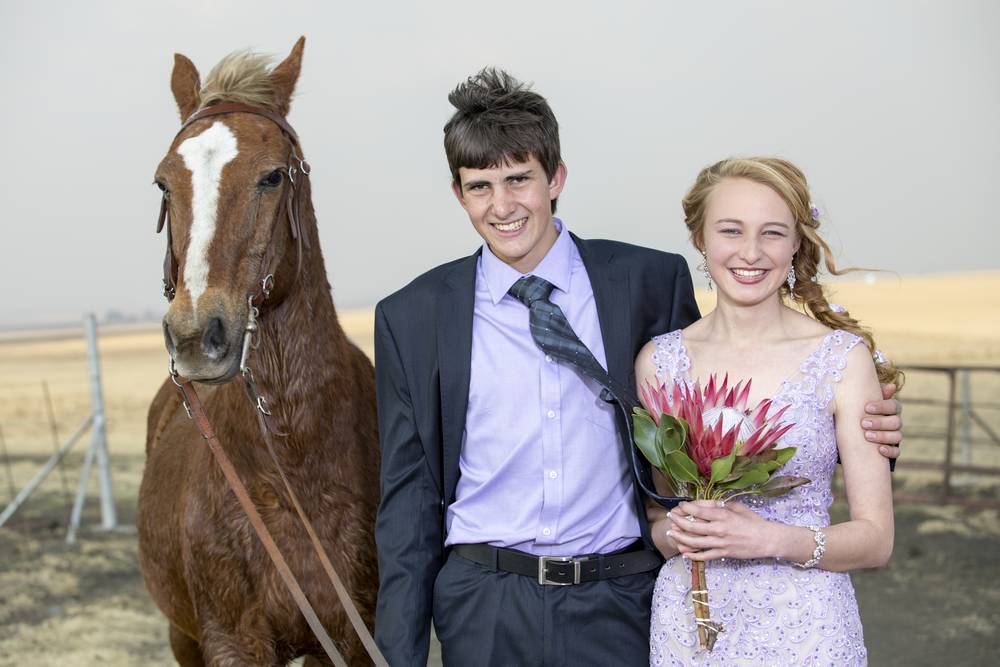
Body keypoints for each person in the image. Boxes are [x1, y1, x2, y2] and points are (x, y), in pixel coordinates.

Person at [373, 71, 902, 666]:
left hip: (621, 597)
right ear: (458, 193)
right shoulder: (411, 317)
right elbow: (408, 498)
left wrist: (862, 424)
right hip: (484, 601)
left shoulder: (648, 282)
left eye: (519, 179)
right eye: (480, 187)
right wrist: (399, 652)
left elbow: (725, 396)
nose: (502, 205)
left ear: (557, 179)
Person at [635, 157, 898, 665]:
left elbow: (876, 540)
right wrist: (677, 532)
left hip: (806, 629)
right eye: (730, 230)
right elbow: (658, 514)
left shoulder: (841, 359)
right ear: (700, 238)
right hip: (689, 624)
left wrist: (769, 538)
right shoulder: (659, 362)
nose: (750, 253)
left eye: (773, 233)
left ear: (797, 242)